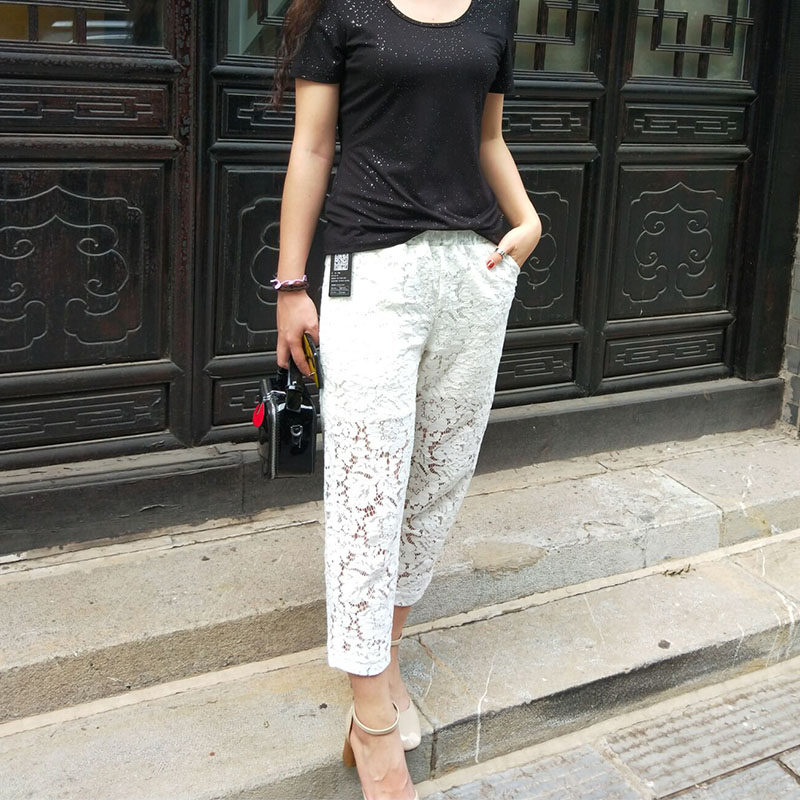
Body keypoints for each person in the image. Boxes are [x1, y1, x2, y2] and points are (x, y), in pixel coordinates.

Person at [269, 1, 541, 797]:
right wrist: (290, 286)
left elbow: (487, 138)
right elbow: (312, 146)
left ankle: (383, 664)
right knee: (367, 488)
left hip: (472, 271)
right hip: (370, 272)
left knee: (435, 480)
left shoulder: (494, 10)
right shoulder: (343, 9)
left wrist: (526, 221)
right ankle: (374, 725)